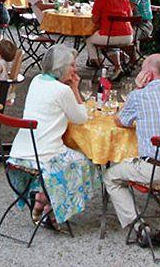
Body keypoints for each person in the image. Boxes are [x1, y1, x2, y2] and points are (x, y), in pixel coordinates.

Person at [107, 54, 160, 248]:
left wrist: (138, 88)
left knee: (111, 177)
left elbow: (120, 120)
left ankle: (139, 227)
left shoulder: (140, 95)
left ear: (147, 74)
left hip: (157, 171)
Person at [7, 44, 97, 231]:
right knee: (84, 162)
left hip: (19, 152)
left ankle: (43, 198)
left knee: (67, 160)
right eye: (72, 65)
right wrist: (74, 88)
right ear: (62, 68)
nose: (75, 69)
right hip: (44, 155)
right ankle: (53, 209)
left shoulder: (37, 80)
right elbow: (81, 117)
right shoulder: (62, 90)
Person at [84, 0, 133, 80]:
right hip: (128, 36)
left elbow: (95, 19)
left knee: (89, 40)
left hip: (110, 35)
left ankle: (99, 65)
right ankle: (117, 67)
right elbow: (130, 16)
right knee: (110, 45)